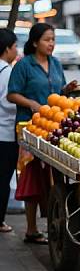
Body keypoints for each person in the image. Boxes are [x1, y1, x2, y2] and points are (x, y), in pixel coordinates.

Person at [7, 23, 78, 244]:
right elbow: (12, 94)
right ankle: (31, 228)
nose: (51, 44)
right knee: (31, 175)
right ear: (35, 41)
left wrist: (68, 91)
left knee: (53, 176)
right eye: (47, 39)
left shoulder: (56, 63)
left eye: (53, 39)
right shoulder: (24, 65)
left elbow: (59, 92)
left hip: (53, 127)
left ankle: (53, 223)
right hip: (29, 127)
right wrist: (31, 104)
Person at [0, 29, 19, 233]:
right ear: (7, 49)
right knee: (3, 179)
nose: (16, 50)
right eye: (14, 46)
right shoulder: (6, 72)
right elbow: (9, 102)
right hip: (4, 133)